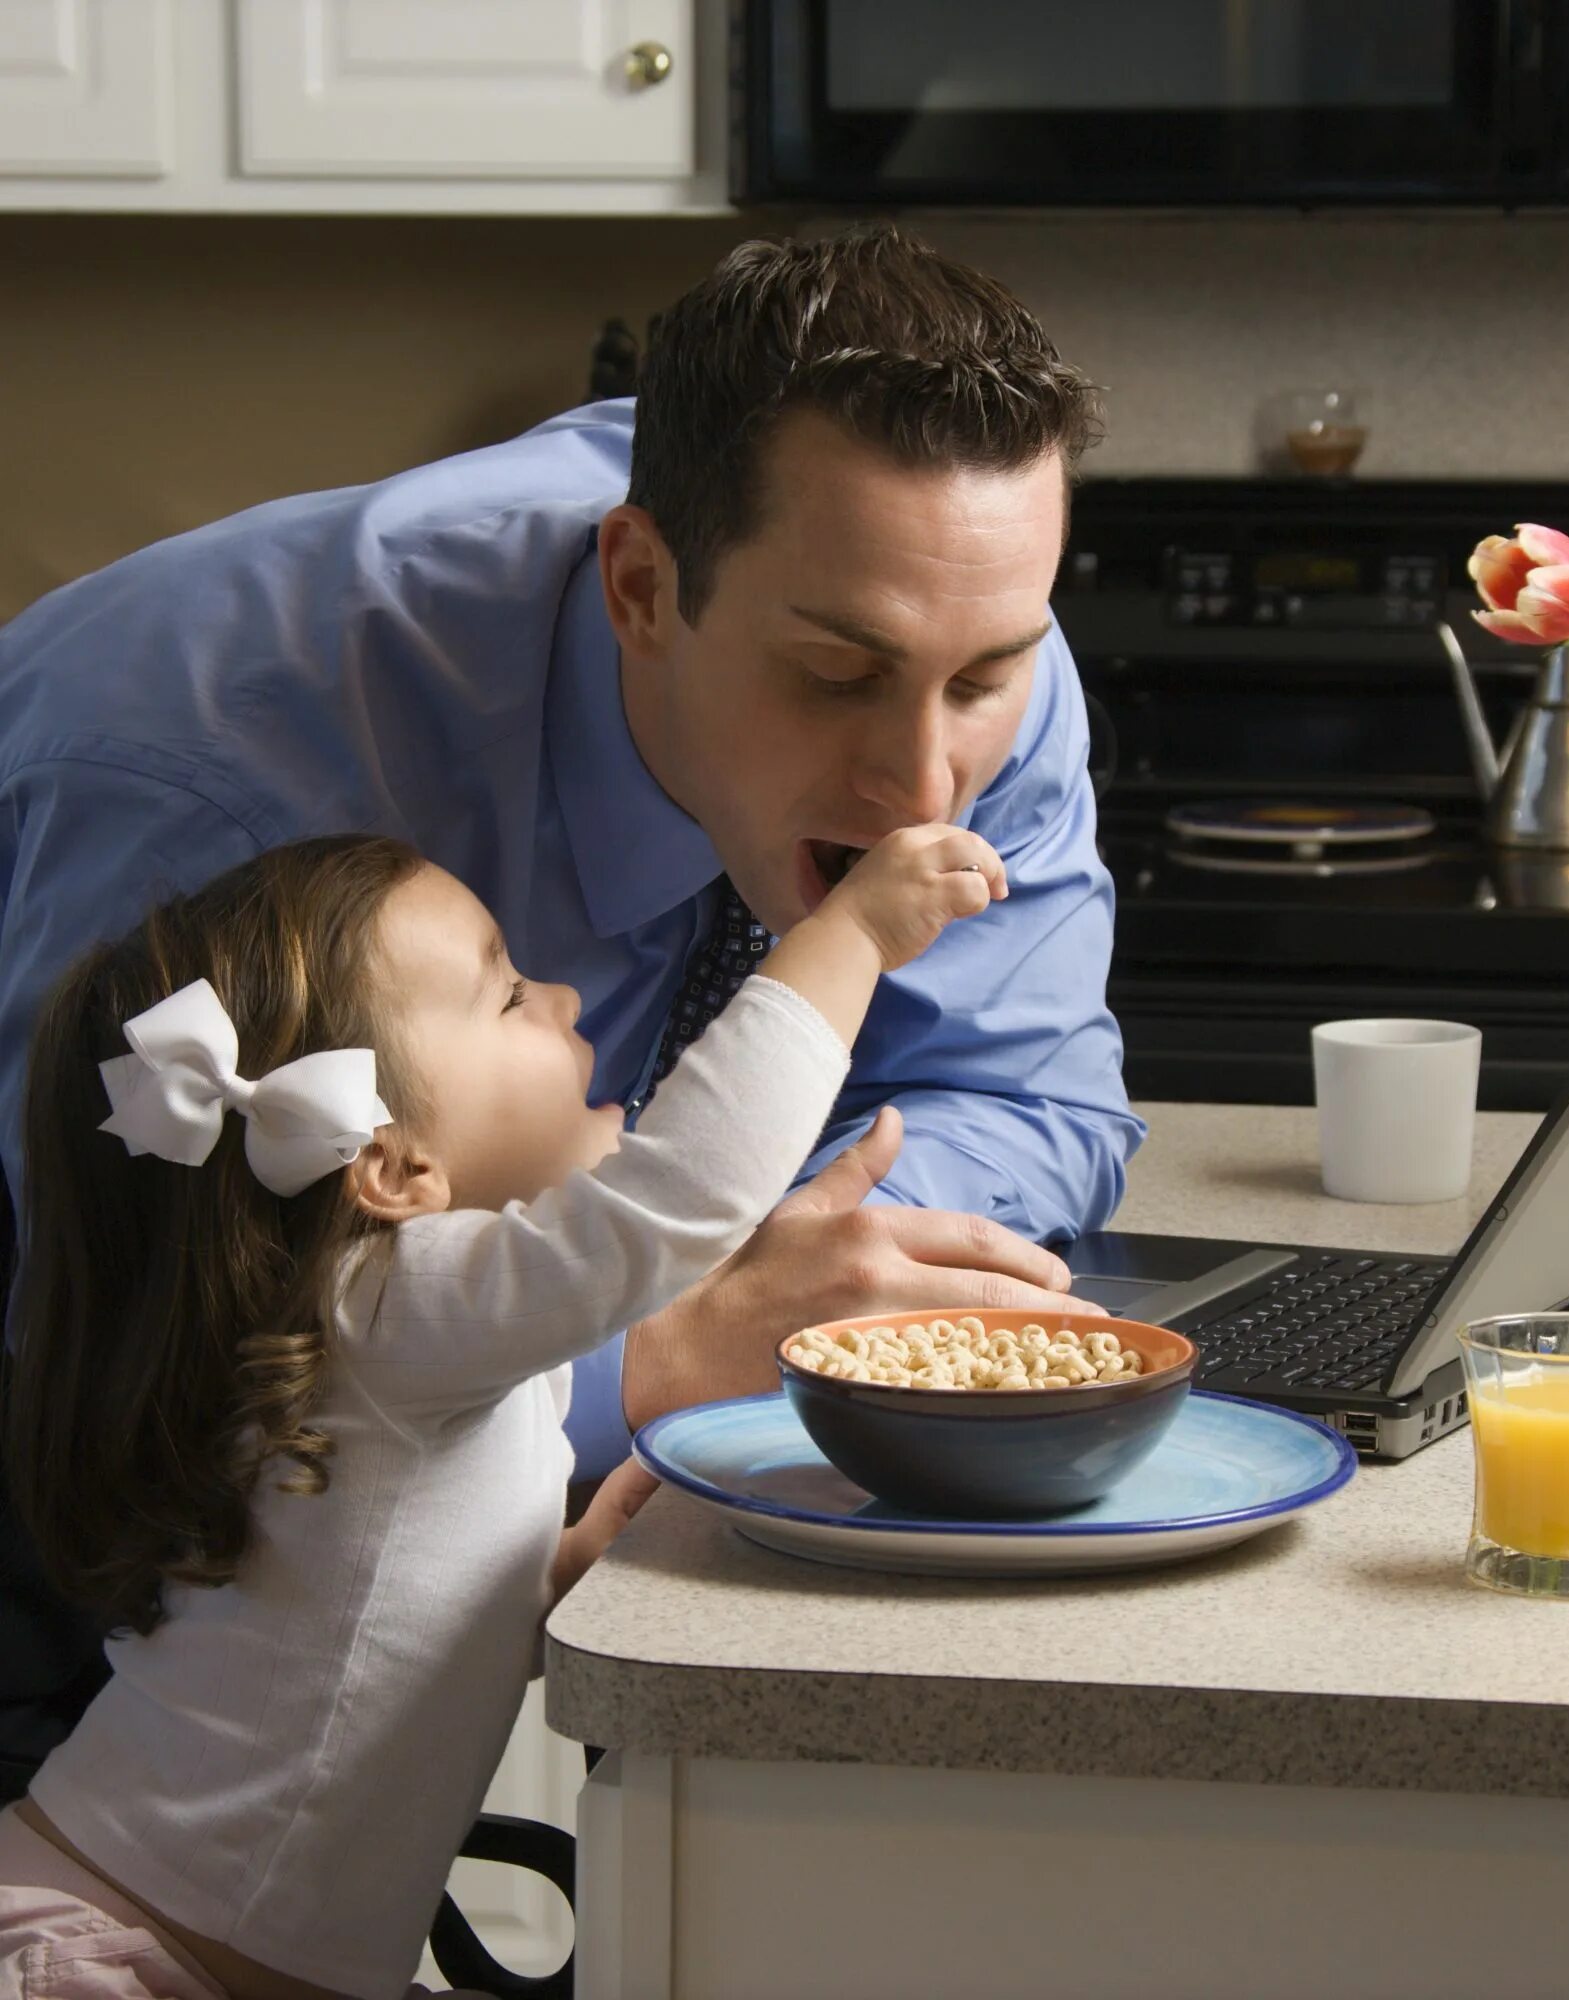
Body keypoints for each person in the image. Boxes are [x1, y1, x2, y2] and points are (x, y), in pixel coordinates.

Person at [0, 223, 1144, 1780]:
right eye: (833, 678)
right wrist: (660, 1351)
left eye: (985, 680)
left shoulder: (944, 615)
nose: (924, 781)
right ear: (642, 586)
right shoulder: (219, 784)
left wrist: (794, 1305)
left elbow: (1025, 1102)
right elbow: (147, 1378)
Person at [0, 813, 1017, 1996]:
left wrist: (544, 1576)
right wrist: (848, 935)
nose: (566, 996)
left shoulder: (391, 1335)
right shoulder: (384, 1308)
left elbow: (360, 1617)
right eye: (506, 995)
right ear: (391, 1166)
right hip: (108, 1952)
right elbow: (674, 1201)